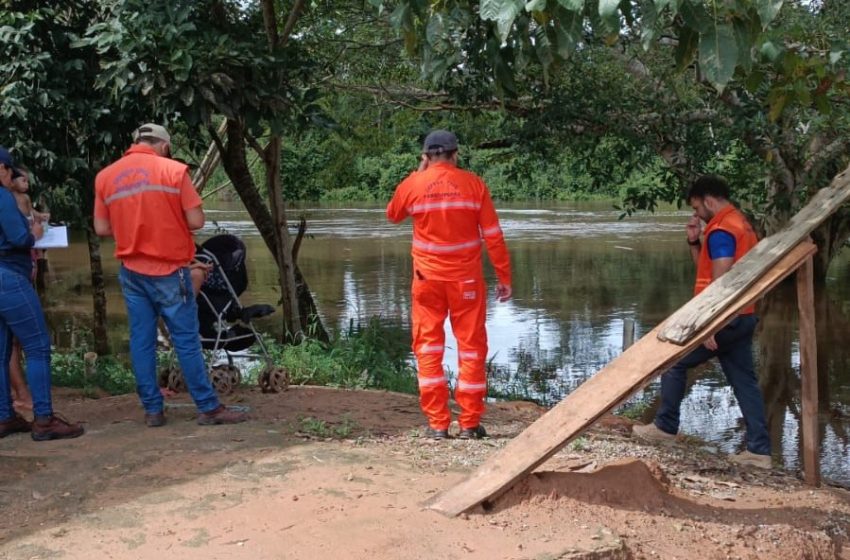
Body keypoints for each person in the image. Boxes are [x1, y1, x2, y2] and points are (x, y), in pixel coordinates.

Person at [93, 123, 246, 428]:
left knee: (142, 341)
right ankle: (208, 407)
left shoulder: (106, 176)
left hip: (132, 272)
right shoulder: (173, 171)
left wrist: (133, 226)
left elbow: (101, 228)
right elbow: (196, 221)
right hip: (170, 271)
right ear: (163, 146)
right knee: (186, 339)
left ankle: (153, 410)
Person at [633, 175, 772, 469]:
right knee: (745, 383)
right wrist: (694, 242)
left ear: (709, 201)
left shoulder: (722, 231)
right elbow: (708, 272)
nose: (697, 214)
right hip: (743, 316)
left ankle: (665, 427)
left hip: (724, 321)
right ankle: (759, 452)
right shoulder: (740, 223)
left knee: (673, 362)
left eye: (697, 208)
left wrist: (711, 324)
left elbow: (721, 281)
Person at [387, 130, 512, 440]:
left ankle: (438, 424)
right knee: (471, 349)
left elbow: (393, 214)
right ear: (456, 154)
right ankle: (469, 423)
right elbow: (493, 235)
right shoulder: (474, 184)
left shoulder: (413, 185)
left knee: (428, 348)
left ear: (426, 156)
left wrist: (417, 173)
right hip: (466, 282)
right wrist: (504, 277)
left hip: (426, 282)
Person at [0, 146, 84, 440]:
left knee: (1, 351)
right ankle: (44, 419)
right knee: (37, 345)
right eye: (9, 172)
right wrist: (35, 233)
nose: (11, 178)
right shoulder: (3, 196)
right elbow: (19, 238)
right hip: (9, 277)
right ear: (1, 169)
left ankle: (4, 416)